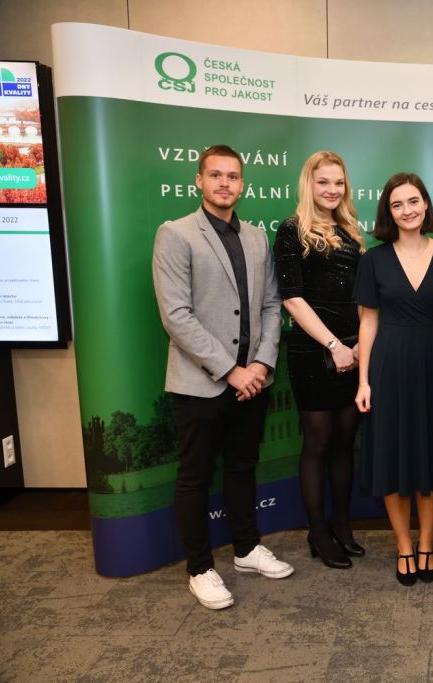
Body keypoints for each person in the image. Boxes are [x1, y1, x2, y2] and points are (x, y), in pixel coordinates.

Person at [152, 144, 292, 610]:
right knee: (195, 477)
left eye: (232, 176)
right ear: (199, 180)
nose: (224, 184)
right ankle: (199, 569)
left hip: (252, 381)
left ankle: (247, 549)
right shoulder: (175, 234)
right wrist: (231, 371)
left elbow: (271, 305)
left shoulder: (256, 237)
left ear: (242, 183)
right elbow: (176, 316)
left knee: (242, 467)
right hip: (202, 383)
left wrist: (261, 365)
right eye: (215, 175)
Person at [354, 173, 433, 586]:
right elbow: (367, 323)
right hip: (389, 369)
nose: (407, 210)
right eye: (397, 205)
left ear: (426, 204)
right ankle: (403, 546)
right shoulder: (373, 260)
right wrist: (363, 382)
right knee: (393, 460)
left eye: (413, 201)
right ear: (389, 212)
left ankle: (427, 544)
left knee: (431, 460)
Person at [273, 150, 366, 569]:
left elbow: (361, 298)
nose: (332, 190)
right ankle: (318, 532)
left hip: (354, 351)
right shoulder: (292, 229)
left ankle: (342, 525)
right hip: (314, 354)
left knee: (346, 441)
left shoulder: (350, 231)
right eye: (323, 181)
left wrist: (360, 346)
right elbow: (292, 298)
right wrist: (334, 346)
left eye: (338, 182)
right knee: (319, 442)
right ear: (308, 184)